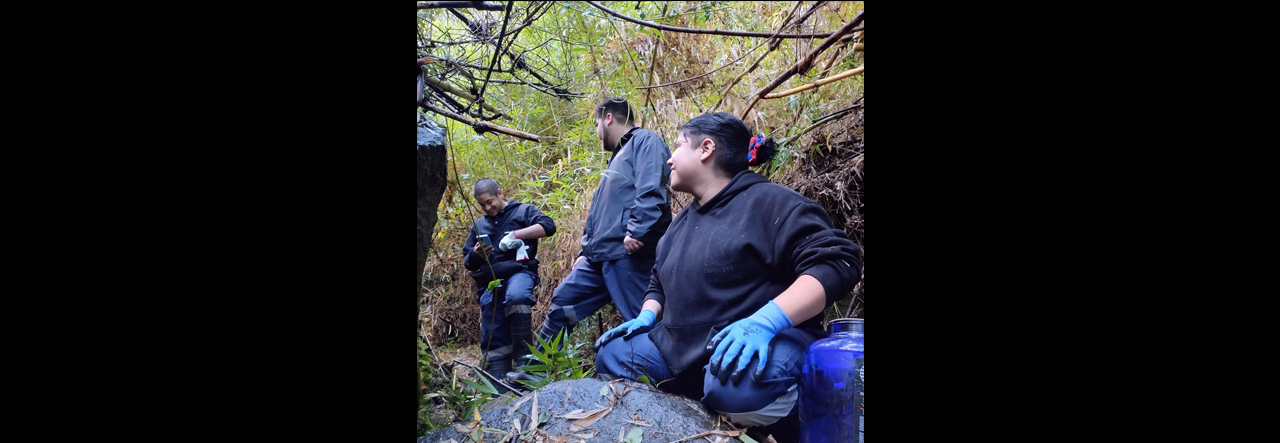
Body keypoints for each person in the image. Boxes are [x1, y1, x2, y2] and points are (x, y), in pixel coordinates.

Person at [592, 112, 862, 441]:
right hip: (683, 355)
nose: (669, 158)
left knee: (737, 385)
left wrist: (768, 320)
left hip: (759, 350)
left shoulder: (771, 203)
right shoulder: (679, 225)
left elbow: (837, 262)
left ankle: (796, 421)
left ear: (706, 148)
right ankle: (697, 418)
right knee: (615, 355)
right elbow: (657, 283)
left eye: (677, 146)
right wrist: (648, 314)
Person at [513, 97, 673, 381]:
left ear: (608, 118)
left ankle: (666, 383)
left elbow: (652, 189)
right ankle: (534, 375)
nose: (597, 131)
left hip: (630, 255)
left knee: (641, 318)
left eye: (596, 124)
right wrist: (583, 253)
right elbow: (598, 214)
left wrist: (637, 230)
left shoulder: (644, 141)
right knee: (563, 304)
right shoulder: (616, 160)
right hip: (598, 257)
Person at [462, 178, 557, 383]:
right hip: (491, 280)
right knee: (493, 323)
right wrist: (477, 254)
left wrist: (516, 235)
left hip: (520, 272)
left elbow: (549, 226)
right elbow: (468, 262)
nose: (488, 208)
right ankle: (498, 377)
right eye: (482, 205)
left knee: (517, 297)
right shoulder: (478, 225)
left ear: (500, 193)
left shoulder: (523, 211)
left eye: (490, 202)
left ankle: (525, 364)